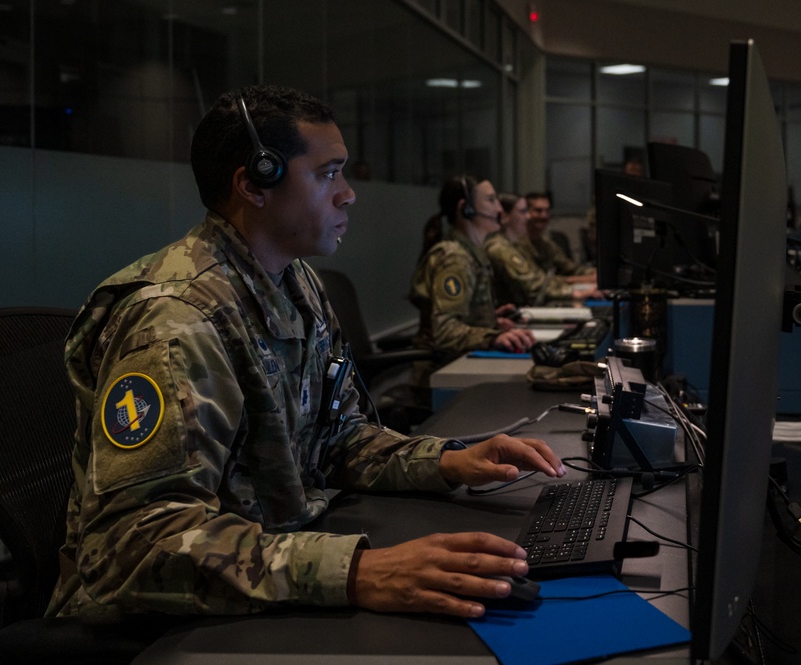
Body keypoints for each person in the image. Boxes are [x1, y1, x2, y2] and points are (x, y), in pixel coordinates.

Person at [47, 85, 566, 624]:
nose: (348, 194)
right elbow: (132, 547)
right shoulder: (177, 322)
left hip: (270, 568)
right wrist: (358, 572)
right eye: (327, 174)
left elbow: (337, 438)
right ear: (254, 184)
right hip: (160, 623)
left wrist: (448, 462)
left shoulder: (296, 286)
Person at [408, 177, 536, 393]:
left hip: (460, 364)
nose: (499, 208)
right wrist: (492, 337)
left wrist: (488, 319)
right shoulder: (455, 258)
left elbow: (455, 317)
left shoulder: (471, 252)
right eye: (491, 200)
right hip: (441, 375)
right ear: (465, 208)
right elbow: (446, 331)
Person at [485, 193, 601, 306]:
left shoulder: (515, 244)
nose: (528, 217)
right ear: (505, 216)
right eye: (523, 212)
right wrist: (577, 292)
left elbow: (553, 274)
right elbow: (535, 285)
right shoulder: (500, 248)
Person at [517, 192, 597, 284]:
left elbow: (569, 267)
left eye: (547, 211)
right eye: (538, 211)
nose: (544, 216)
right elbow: (537, 281)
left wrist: (593, 273)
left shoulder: (546, 244)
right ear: (526, 213)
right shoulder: (517, 244)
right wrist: (583, 280)